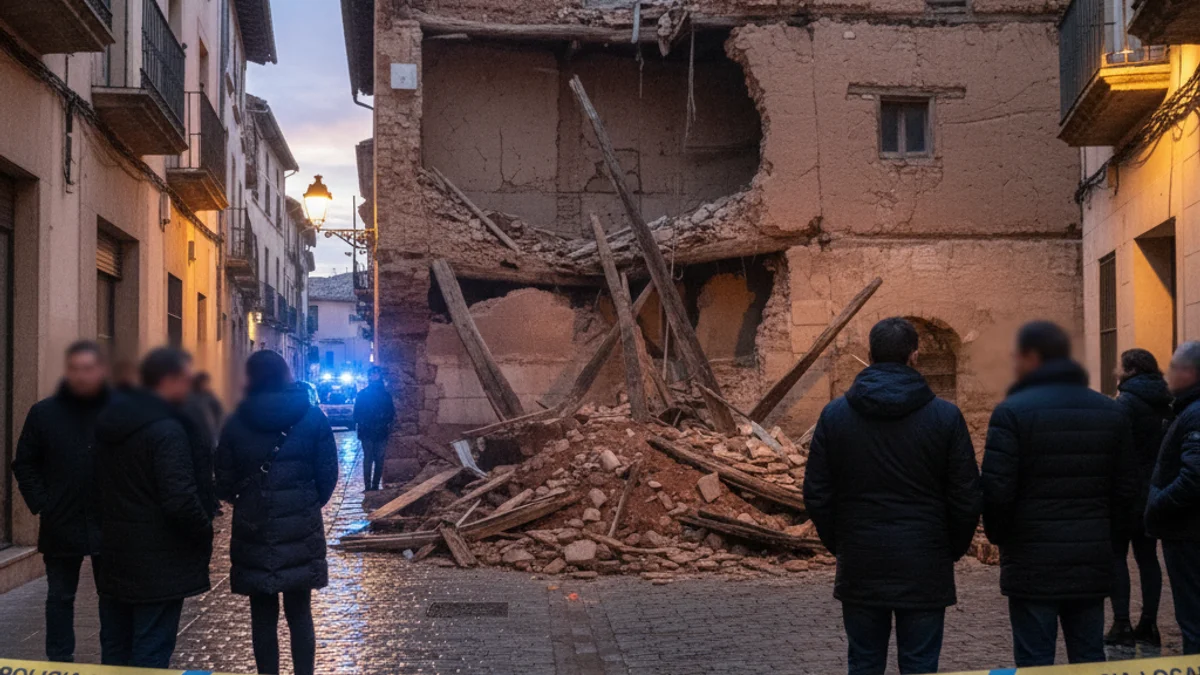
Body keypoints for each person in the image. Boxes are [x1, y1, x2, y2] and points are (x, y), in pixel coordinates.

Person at [803, 317, 982, 675]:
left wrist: (841, 543)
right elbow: (966, 495)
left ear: (870, 355)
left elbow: (817, 493)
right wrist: (950, 548)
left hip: (861, 559)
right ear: (915, 356)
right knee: (919, 663)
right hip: (925, 560)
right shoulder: (945, 417)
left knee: (865, 662)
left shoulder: (835, 415)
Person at [982, 321, 1137, 667]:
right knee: (1088, 656)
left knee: (1035, 659)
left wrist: (1003, 538)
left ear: (1033, 358)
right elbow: (1126, 490)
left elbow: (996, 491)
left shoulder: (1011, 412)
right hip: (1090, 556)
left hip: (1031, 560)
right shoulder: (1110, 412)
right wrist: (1109, 541)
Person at [216, 351, 338, 675]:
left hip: (253, 529)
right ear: (286, 375)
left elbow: (223, 480)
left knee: (262, 617)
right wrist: (306, 504)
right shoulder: (312, 418)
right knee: (300, 614)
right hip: (301, 530)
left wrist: (247, 501)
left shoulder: (235, 422)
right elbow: (328, 477)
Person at [95, 347, 213, 668]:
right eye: (185, 379)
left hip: (114, 555)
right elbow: (180, 500)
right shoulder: (167, 429)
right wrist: (204, 531)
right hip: (159, 562)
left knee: (116, 648)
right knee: (151, 650)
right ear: (169, 380)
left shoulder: (109, 422)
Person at [11, 341, 115, 663]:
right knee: (59, 597)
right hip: (61, 521)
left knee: (112, 599)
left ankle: (113, 663)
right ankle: (59, 662)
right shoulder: (44, 413)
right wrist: (43, 502)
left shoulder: (117, 412)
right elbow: (24, 462)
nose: (82, 376)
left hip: (110, 521)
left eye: (88, 369)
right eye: (76, 369)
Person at [1107, 349, 1172, 647]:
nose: (1115, 370)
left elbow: (1115, 448)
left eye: (1120, 366)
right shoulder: (1167, 400)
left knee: (1117, 557)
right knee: (1148, 558)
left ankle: (1121, 624)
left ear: (1130, 370)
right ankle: (1149, 623)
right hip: (1154, 491)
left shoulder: (1125, 403)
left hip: (1124, 493)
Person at [1147, 341, 1200, 655]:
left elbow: (1194, 476)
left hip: (1188, 532)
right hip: (1187, 529)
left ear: (1189, 372)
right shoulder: (1186, 410)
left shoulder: (1193, 414)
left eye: (1173, 368)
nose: (1167, 376)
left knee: (1193, 617)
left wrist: (1158, 502)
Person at [353, 366, 395, 491]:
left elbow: (390, 413)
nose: (374, 376)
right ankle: (368, 485)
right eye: (372, 374)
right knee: (369, 458)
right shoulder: (363, 394)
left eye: (376, 374)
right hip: (369, 431)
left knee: (378, 459)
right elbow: (357, 414)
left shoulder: (385, 395)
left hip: (378, 431)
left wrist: (382, 422)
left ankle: (374, 484)